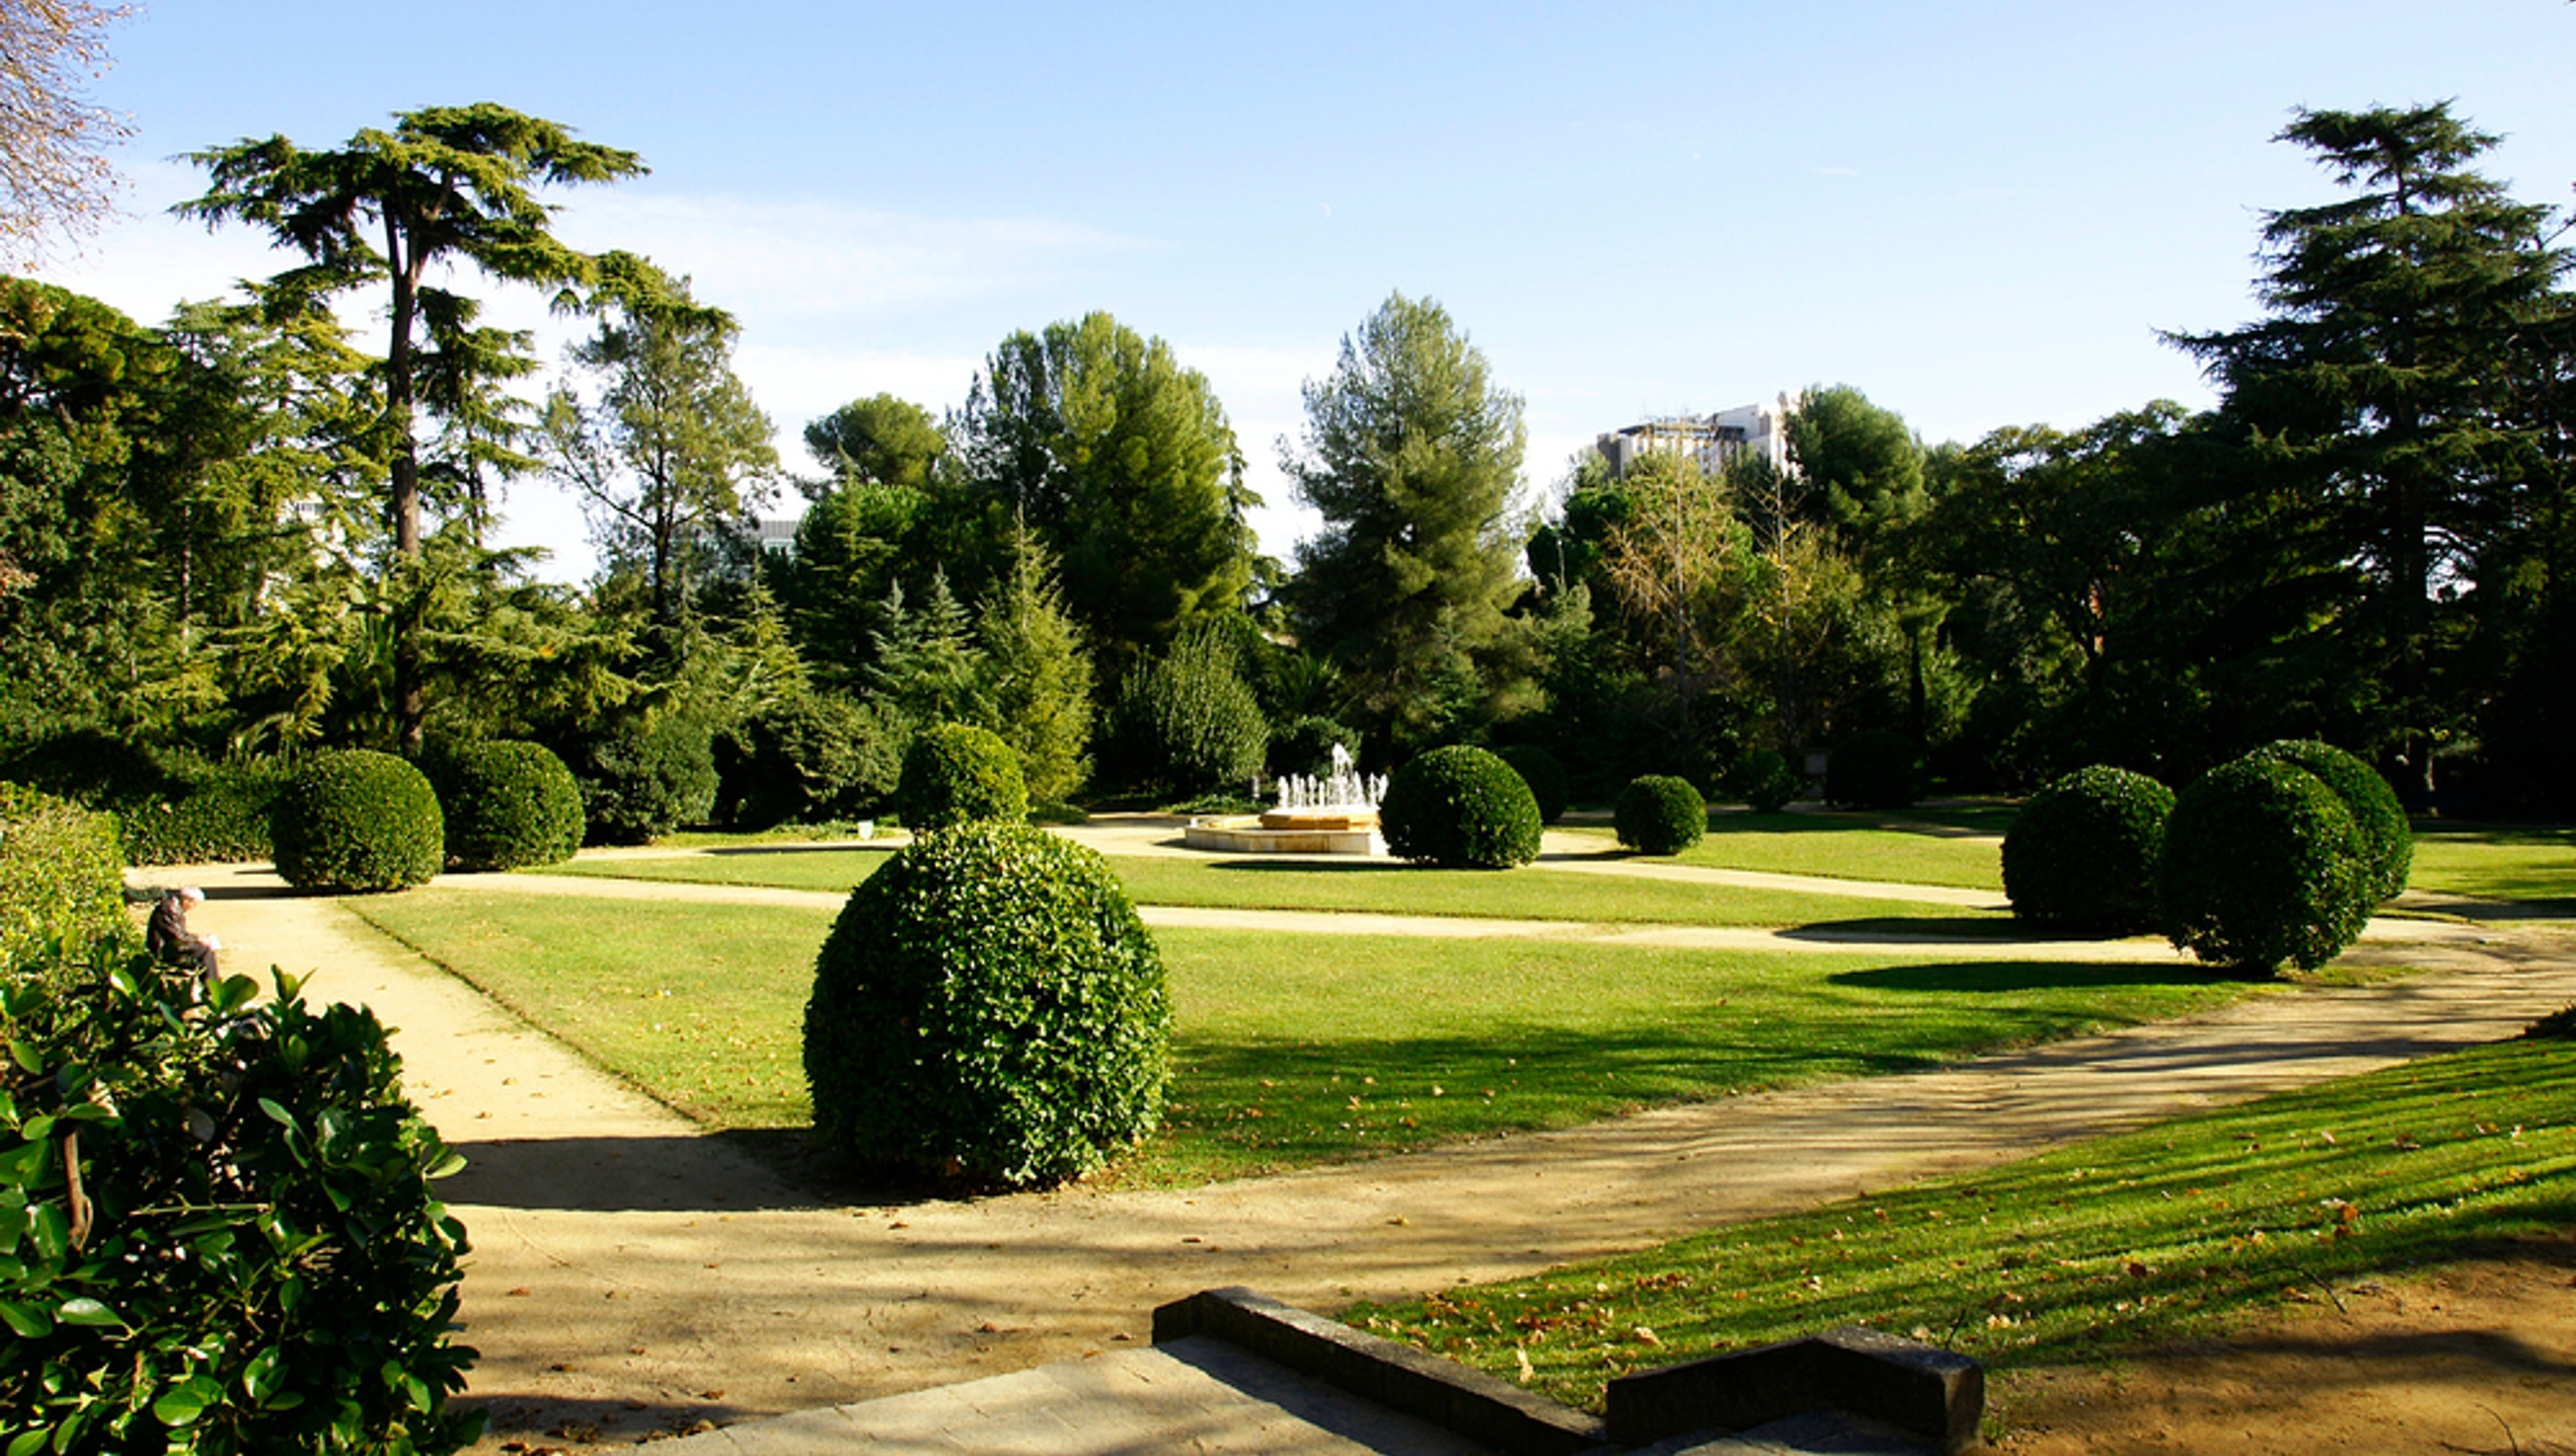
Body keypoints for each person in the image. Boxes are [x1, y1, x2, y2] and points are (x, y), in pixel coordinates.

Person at [146, 886, 221, 984]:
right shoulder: (169, 909)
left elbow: (177, 933)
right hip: (165, 949)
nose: (193, 908)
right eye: (194, 904)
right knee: (205, 950)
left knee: (206, 948)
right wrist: (197, 939)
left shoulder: (174, 907)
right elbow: (177, 936)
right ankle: (212, 986)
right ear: (187, 901)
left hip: (171, 945)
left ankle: (212, 984)